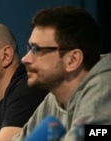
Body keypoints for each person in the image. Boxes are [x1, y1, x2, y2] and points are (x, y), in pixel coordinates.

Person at [12, 5, 111, 141]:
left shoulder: (103, 88)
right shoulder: (54, 97)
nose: (25, 59)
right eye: (29, 48)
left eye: (37, 49)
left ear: (72, 60)